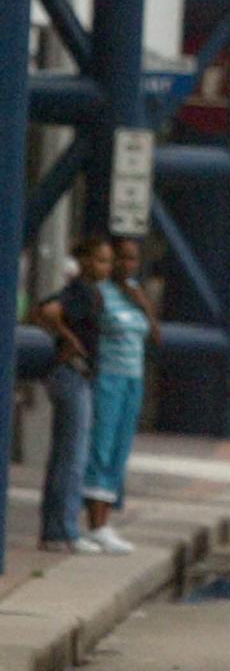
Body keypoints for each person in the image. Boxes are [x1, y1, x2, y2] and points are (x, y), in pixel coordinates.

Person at [33, 235, 114, 554]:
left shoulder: (89, 292)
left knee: (67, 454)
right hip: (72, 374)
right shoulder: (80, 291)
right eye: (100, 260)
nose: (105, 267)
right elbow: (49, 311)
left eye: (107, 261)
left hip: (78, 375)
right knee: (72, 456)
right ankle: (62, 529)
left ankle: (57, 528)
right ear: (84, 261)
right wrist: (69, 339)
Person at [80, 236, 159, 552]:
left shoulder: (134, 293)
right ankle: (93, 523)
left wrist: (143, 303)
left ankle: (106, 522)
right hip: (108, 378)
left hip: (133, 379)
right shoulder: (99, 293)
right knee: (101, 445)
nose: (127, 265)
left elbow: (155, 334)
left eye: (132, 259)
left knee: (120, 449)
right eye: (122, 259)